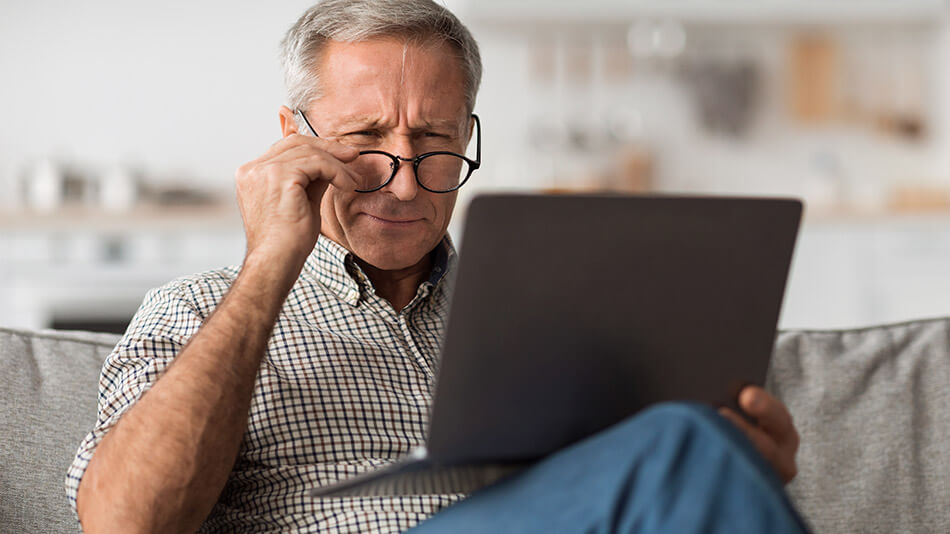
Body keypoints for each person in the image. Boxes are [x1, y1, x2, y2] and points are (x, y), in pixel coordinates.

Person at [67, 1, 806, 532]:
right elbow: (124, 523)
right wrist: (268, 264)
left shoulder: (545, 316)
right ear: (294, 138)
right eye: (365, 140)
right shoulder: (197, 312)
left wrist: (727, 470)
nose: (407, 183)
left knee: (690, 440)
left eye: (436, 141)